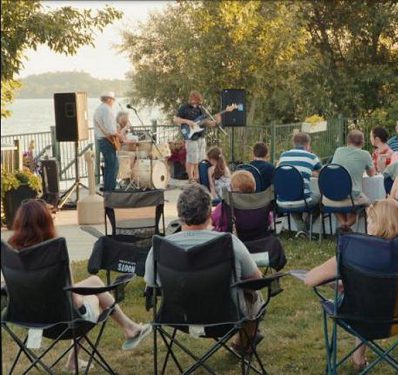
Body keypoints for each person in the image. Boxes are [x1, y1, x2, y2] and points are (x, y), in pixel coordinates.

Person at [304, 199, 398, 370]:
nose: (367, 225)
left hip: (359, 317)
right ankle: (358, 358)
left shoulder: (353, 254)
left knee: (361, 299)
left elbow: (310, 280)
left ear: (377, 224)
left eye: (369, 220)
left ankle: (358, 359)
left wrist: (342, 283)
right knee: (365, 295)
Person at [9, 200, 151, 371]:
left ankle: (129, 328)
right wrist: (88, 296)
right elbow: (74, 300)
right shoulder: (55, 251)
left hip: (28, 317)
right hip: (62, 321)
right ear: (47, 223)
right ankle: (129, 329)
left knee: (95, 282)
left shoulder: (12, 254)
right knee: (96, 298)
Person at [144, 184, 263, 352]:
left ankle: (242, 343)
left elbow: (152, 285)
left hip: (178, 317)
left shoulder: (160, 248)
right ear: (209, 215)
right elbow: (256, 280)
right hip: (227, 316)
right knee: (254, 294)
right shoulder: (229, 243)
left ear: (179, 215)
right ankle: (244, 343)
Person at [329, 130, 376, 232]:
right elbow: (372, 174)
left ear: (347, 141)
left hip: (333, 194)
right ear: (363, 142)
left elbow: (333, 169)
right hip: (352, 195)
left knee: (334, 204)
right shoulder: (365, 154)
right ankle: (348, 225)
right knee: (367, 204)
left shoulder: (338, 151)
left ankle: (343, 226)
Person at [277, 132, 322, 236]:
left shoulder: (283, 156)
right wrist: (311, 172)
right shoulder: (311, 157)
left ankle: (301, 231)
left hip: (282, 200)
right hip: (303, 201)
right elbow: (323, 174)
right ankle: (305, 229)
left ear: (293, 143)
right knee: (321, 198)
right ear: (308, 145)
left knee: (292, 193)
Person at [174, 91, 222, 183]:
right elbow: (176, 119)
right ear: (191, 99)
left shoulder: (201, 109)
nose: (195, 102)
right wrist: (188, 122)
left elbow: (208, 123)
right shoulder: (184, 108)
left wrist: (217, 121)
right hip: (191, 136)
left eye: (197, 100)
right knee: (192, 158)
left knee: (200, 158)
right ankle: (191, 177)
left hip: (201, 136)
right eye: (194, 100)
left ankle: (197, 177)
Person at [94, 91, 120, 191]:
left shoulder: (99, 109)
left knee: (109, 165)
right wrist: (120, 136)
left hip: (102, 140)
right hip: (107, 140)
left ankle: (108, 188)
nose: (113, 102)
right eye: (113, 100)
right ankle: (110, 190)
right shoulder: (107, 110)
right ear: (109, 99)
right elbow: (111, 130)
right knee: (113, 165)